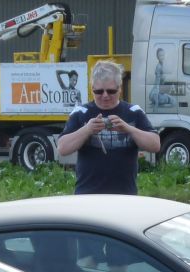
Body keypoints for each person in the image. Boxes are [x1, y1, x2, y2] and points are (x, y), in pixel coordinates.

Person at [57, 60, 160, 195]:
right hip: (87, 195)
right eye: (99, 91)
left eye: (111, 91)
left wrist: (128, 129)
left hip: (124, 196)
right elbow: (62, 148)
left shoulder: (134, 112)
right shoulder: (80, 112)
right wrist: (87, 130)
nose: (105, 96)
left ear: (120, 88)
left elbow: (155, 145)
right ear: (92, 88)